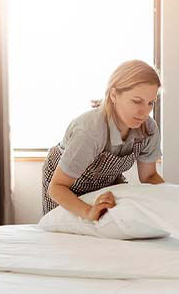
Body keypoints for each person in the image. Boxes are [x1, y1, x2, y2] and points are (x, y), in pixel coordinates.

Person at [42, 60, 165, 221]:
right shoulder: (90, 131)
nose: (144, 112)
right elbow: (57, 188)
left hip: (106, 184)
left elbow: (149, 177)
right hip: (65, 187)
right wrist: (88, 211)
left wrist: (172, 198)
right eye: (136, 101)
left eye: (151, 103)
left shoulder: (148, 129)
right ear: (114, 95)